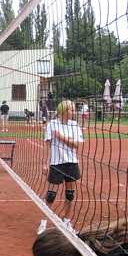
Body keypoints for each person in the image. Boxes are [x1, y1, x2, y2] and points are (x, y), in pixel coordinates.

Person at [37, 100, 84, 235]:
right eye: (71, 110)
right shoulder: (52, 124)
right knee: (50, 195)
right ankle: (43, 223)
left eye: (74, 109)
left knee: (70, 195)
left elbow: (76, 145)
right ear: (63, 111)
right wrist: (45, 163)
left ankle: (66, 222)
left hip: (71, 163)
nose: (73, 112)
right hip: (56, 163)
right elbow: (48, 146)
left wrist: (62, 137)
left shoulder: (74, 125)